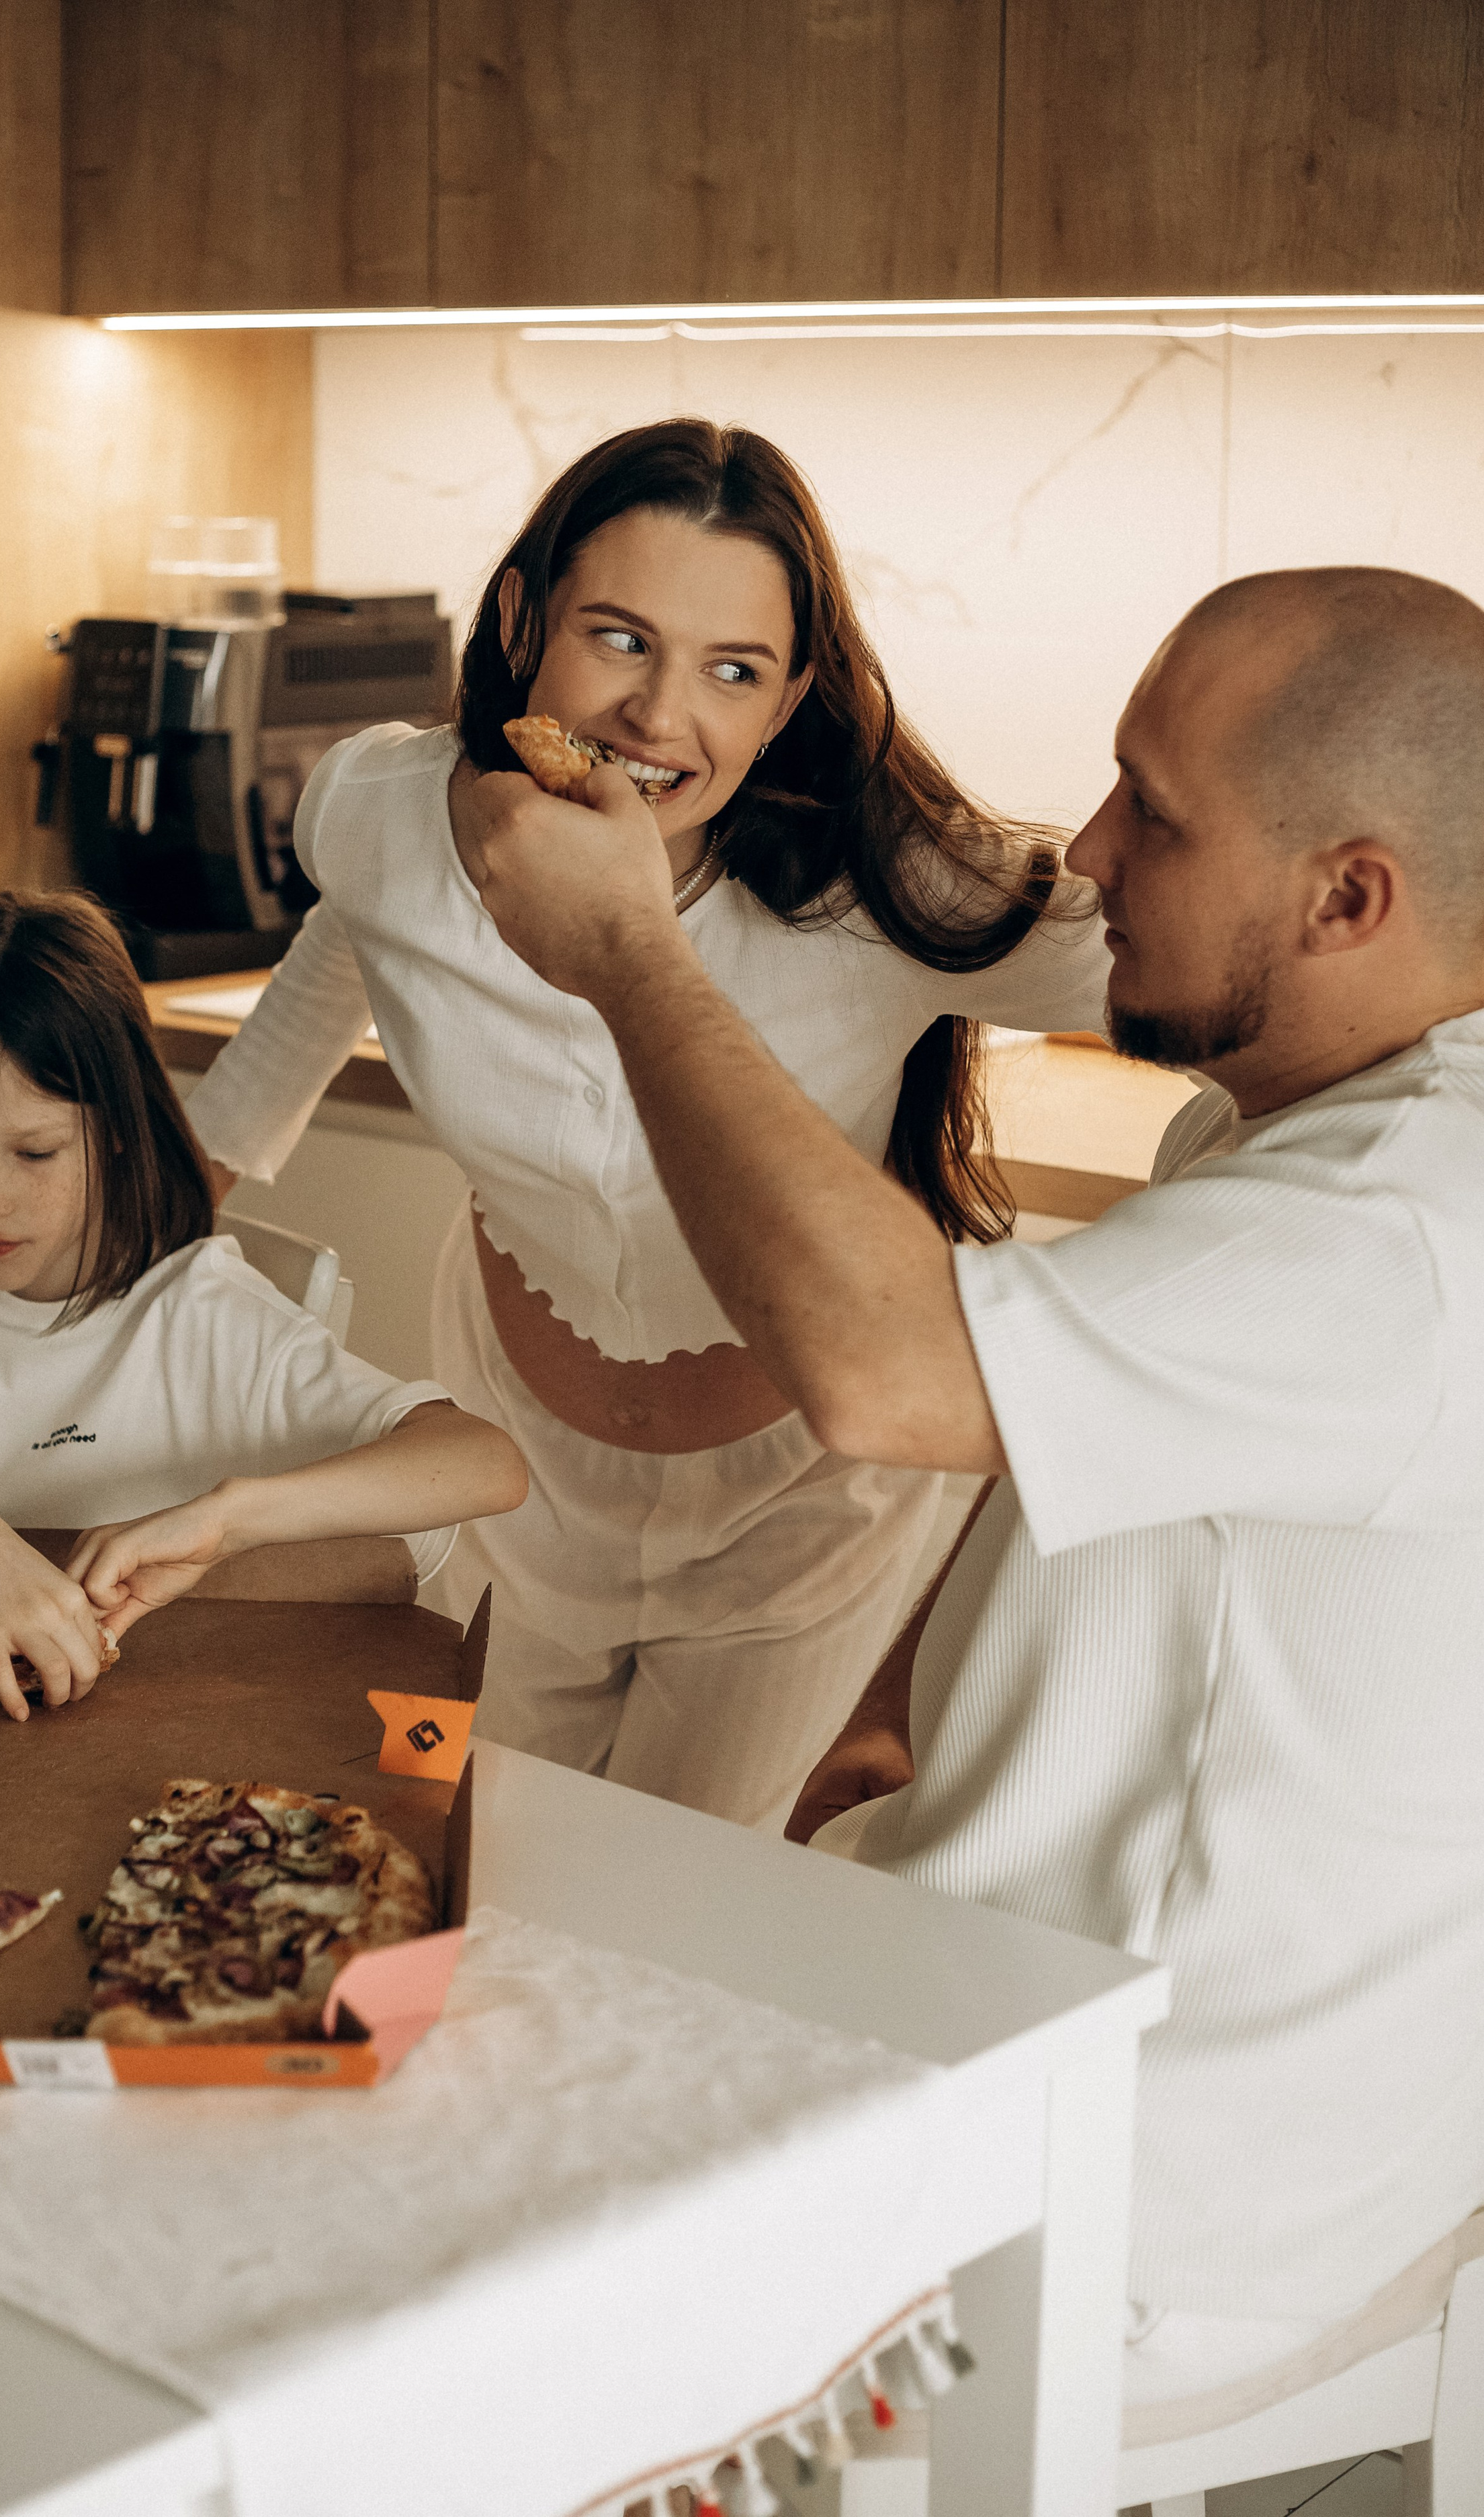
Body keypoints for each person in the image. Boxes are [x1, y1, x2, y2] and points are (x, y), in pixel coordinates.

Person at [457, 564, 1484, 2395]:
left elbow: (885, 1372)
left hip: (1128, 2197)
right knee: (506, 1922)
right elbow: (1101, 1464)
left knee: (440, 2160)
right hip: (1246, 2095)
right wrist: (895, 1712)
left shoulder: (1390, 1239)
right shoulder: (1336, 1139)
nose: (1085, 852)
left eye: (1154, 813)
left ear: (1349, 897)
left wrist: (630, 954)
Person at [183, 419, 1108, 1827]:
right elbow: (346, 924)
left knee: (683, 1906)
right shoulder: (382, 804)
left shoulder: (888, 884)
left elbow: (1176, 967)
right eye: (617, 638)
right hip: (507, 1466)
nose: (658, 718)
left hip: (798, 1508)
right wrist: (196, 1173)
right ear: (522, 619)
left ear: (791, 697)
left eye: (730, 670)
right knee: (490, 1864)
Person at [0, 892, 526, 1717]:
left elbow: (485, 1463)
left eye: (36, 1151)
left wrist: (231, 1518)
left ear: (117, 1126)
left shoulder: (209, 1313)